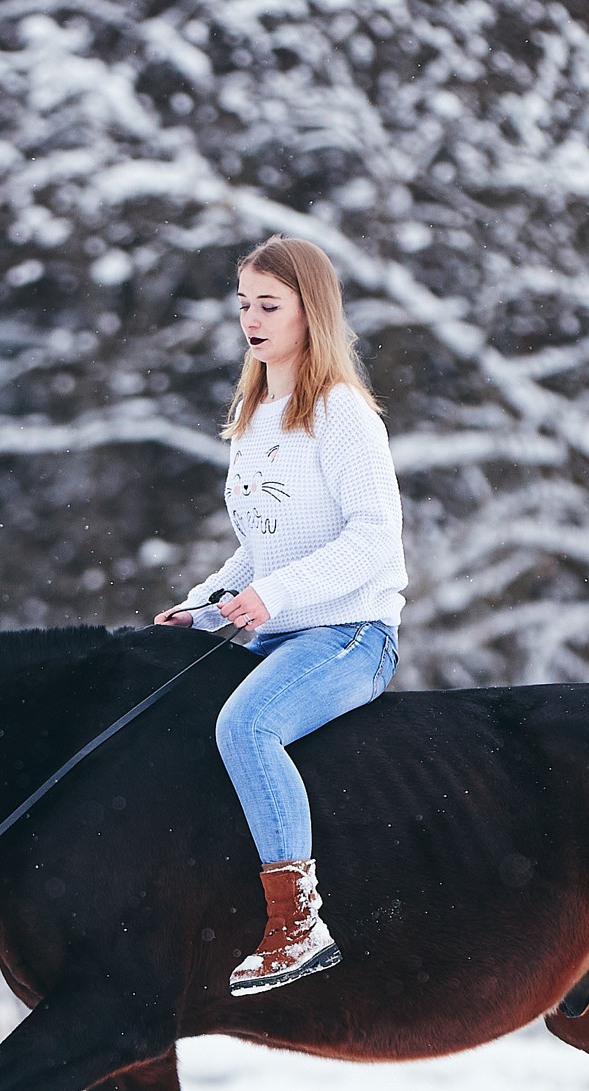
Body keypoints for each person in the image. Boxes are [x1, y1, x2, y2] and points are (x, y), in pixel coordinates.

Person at [157, 235, 404, 995]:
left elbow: (372, 538)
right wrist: (204, 606)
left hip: (349, 633)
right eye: (244, 306)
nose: (251, 321)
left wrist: (278, 596)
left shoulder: (342, 414)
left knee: (246, 726)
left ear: (310, 312)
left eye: (269, 306)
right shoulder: (257, 410)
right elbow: (258, 547)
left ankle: (298, 927)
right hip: (280, 627)